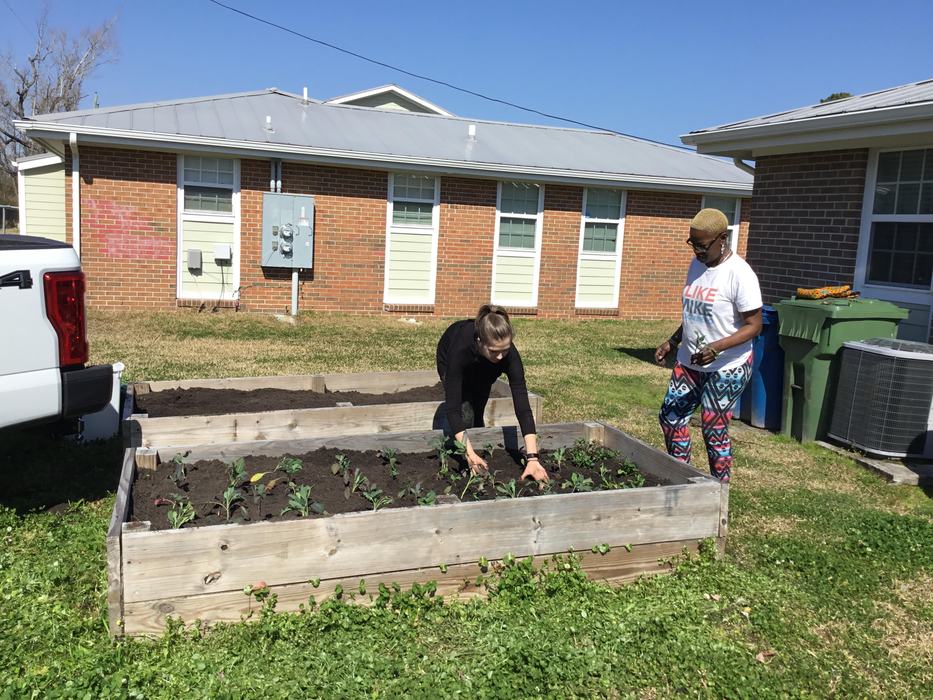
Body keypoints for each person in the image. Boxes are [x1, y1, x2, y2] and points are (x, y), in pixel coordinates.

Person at [654, 208, 762, 482]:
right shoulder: (697, 266)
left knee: (713, 429)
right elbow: (695, 313)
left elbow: (754, 326)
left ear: (721, 239)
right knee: (671, 418)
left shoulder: (740, 274)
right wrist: (673, 340)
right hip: (689, 362)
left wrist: (717, 347)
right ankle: (683, 480)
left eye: (702, 245)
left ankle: (718, 491)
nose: (696, 251)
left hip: (727, 367)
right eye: (693, 243)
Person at [436, 304, 547, 482]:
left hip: (484, 368)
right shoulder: (460, 350)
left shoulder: (508, 356)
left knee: (478, 405)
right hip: (449, 355)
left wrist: (532, 458)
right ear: (480, 341)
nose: (502, 356)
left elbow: (523, 408)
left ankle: (476, 442)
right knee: (464, 409)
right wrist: (469, 453)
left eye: (506, 349)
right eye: (496, 351)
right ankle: (465, 456)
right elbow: (452, 410)